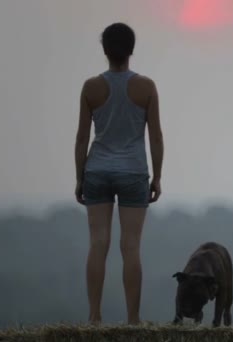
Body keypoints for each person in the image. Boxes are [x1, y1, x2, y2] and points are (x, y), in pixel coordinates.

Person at [74, 22, 164, 325]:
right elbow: (156, 138)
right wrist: (158, 176)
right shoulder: (146, 87)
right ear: (131, 50)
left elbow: (82, 138)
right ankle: (133, 319)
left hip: (97, 169)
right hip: (134, 173)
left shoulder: (91, 87)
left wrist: (79, 177)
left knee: (98, 244)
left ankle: (94, 317)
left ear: (105, 50)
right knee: (131, 247)